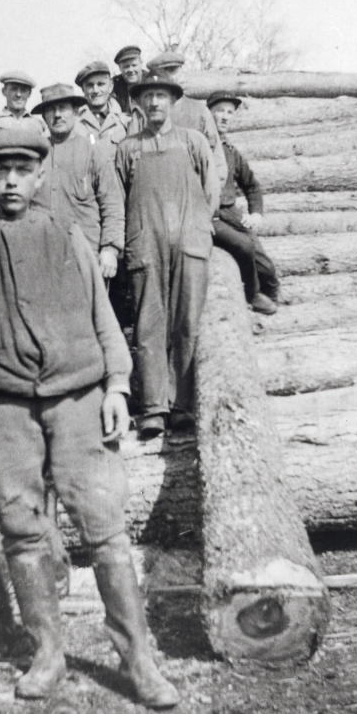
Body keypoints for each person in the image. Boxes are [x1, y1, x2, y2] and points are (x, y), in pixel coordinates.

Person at [0, 127, 179, 708]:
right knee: (21, 531)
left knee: (105, 530)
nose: (11, 182)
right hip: (2, 406)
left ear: (41, 176)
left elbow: (103, 316)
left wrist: (117, 386)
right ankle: (48, 655)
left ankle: (139, 661)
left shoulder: (67, 235)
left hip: (79, 398)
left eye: (22, 171)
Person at [116, 71, 219, 440]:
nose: (154, 102)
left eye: (161, 95)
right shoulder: (128, 148)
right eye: (148, 96)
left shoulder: (193, 141)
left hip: (189, 242)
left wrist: (198, 227)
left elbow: (211, 189)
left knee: (187, 321)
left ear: (173, 101)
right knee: (148, 325)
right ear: (139, 103)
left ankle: (183, 406)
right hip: (146, 243)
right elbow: (118, 197)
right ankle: (154, 409)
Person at [30, 83, 124, 280]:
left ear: (75, 112)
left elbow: (112, 204)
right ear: (44, 116)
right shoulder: (33, 156)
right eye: (51, 110)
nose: (57, 115)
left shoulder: (94, 151)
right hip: (41, 258)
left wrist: (110, 249)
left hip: (85, 258)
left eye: (63, 108)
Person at [207, 90, 280, 313]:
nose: (225, 117)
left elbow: (252, 186)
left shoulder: (231, 152)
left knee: (266, 265)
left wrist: (256, 213)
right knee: (243, 246)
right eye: (220, 111)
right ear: (208, 113)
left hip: (230, 212)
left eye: (230, 112)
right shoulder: (198, 144)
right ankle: (252, 294)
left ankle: (272, 299)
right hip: (208, 215)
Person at [146, 51, 228, 187]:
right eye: (163, 72)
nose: (169, 77)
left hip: (194, 190)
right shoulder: (146, 113)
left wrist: (210, 194)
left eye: (173, 71)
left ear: (182, 74)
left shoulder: (199, 111)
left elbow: (217, 160)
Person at [75, 61, 130, 149]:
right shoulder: (74, 122)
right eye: (90, 85)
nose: (96, 90)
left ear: (110, 86)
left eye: (100, 84)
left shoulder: (125, 122)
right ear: (83, 89)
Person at [111, 45, 145, 133]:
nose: (131, 70)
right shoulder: (115, 84)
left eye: (134, 65)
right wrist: (117, 115)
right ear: (120, 68)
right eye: (126, 67)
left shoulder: (150, 80)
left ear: (141, 63)